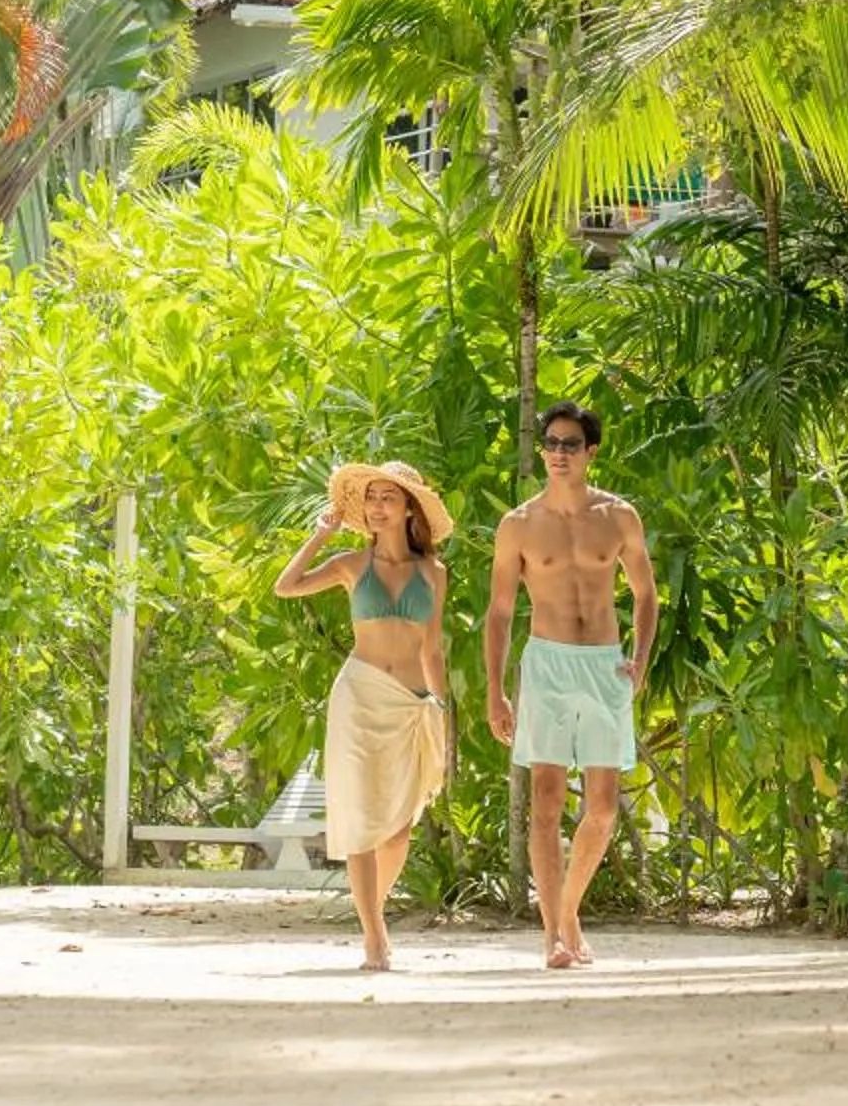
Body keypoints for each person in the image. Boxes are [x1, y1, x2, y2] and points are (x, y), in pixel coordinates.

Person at [485, 399, 656, 970]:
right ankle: (554, 936)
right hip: (548, 665)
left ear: (590, 453)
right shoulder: (519, 525)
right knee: (547, 801)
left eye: (569, 445)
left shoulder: (619, 517)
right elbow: (501, 612)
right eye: (551, 443)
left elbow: (645, 594)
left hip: (605, 664)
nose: (558, 454)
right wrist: (495, 689)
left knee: (604, 807)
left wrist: (641, 658)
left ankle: (567, 912)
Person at [275, 460, 455, 971]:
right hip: (358, 695)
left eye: (388, 498)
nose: (377, 507)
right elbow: (286, 587)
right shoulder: (351, 566)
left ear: (408, 508)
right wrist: (319, 536)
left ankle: (370, 913)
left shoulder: (432, 572)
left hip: (410, 703)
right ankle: (375, 936)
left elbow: (433, 649)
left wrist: (440, 708)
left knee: (398, 825)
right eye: (371, 497)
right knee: (359, 817)